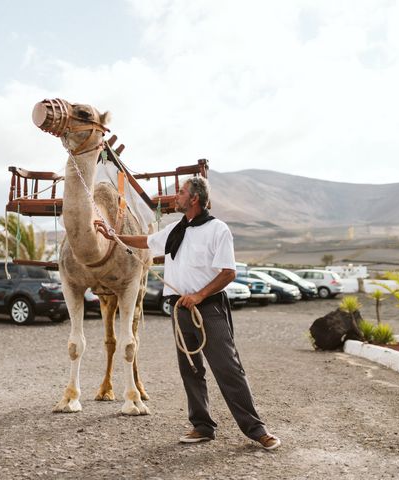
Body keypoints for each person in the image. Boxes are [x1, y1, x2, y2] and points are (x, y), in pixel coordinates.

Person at [95, 176, 280, 450]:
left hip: (209, 308)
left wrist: (199, 295)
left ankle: (257, 430)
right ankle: (202, 426)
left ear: (194, 199)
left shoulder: (218, 230)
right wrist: (114, 235)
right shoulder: (175, 230)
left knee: (229, 369)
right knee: (191, 370)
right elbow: (146, 241)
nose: (175, 197)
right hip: (180, 309)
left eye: (180, 193)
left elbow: (229, 272)